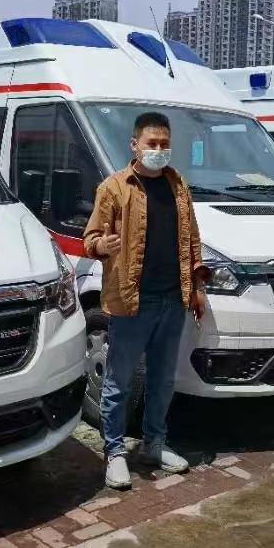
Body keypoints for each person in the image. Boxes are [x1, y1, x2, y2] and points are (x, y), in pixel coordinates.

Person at [82, 110, 208, 490]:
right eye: (152, 143)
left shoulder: (178, 184)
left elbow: (192, 240)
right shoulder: (114, 188)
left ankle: (154, 444)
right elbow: (90, 239)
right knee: (118, 382)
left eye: (164, 144)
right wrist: (102, 246)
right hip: (131, 302)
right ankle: (115, 452)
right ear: (135, 145)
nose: (159, 149)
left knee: (163, 380)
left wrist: (197, 287)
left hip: (173, 300)